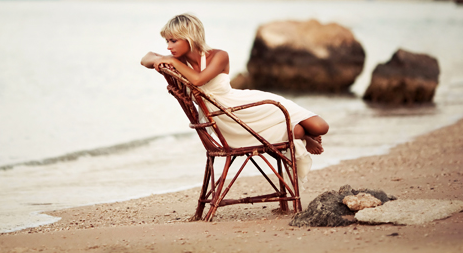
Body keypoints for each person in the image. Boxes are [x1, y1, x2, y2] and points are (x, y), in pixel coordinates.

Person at [141, 13, 329, 184]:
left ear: (190, 37)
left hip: (244, 106)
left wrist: (170, 61)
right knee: (295, 130)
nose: (168, 47)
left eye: (173, 40)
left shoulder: (218, 56)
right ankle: (302, 136)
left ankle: (304, 135)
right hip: (225, 120)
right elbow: (146, 58)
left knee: (321, 127)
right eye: (167, 41)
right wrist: (166, 60)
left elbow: (198, 80)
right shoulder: (181, 62)